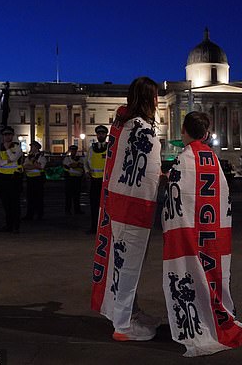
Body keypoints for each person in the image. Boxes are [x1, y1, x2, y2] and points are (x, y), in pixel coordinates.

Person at [162, 111, 242, 357]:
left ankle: (196, 321)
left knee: (189, 277)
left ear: (185, 131)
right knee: (210, 274)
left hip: (189, 233)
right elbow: (222, 195)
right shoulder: (212, 157)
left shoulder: (184, 158)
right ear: (207, 133)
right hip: (211, 232)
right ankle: (213, 313)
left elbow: (176, 197)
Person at [90, 76, 162, 342]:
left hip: (119, 202)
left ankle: (129, 310)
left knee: (124, 263)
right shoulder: (141, 127)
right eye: (154, 96)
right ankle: (123, 325)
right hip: (132, 206)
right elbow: (144, 169)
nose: (157, 101)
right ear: (147, 99)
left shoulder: (123, 123)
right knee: (127, 265)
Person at [0, 126, 24, 233]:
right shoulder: (0, 147)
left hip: (14, 178)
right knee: (6, 203)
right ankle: (9, 225)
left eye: (9, 135)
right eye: (5, 135)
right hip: (3, 179)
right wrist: (6, 162)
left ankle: (16, 226)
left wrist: (7, 150)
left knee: (15, 203)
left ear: (12, 136)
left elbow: (13, 158)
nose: (7, 137)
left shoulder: (17, 147)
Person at [84, 125, 109, 234]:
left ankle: (106, 228)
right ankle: (94, 227)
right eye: (99, 134)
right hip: (94, 181)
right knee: (94, 206)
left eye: (102, 134)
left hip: (106, 182)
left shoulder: (109, 148)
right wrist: (86, 171)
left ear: (106, 135)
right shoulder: (92, 148)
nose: (100, 135)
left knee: (107, 207)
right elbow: (86, 162)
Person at [23, 141, 47, 221]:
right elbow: (25, 166)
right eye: (31, 146)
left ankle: (39, 215)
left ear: (37, 147)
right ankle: (29, 215)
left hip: (38, 179)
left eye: (33, 146)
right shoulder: (28, 157)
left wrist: (32, 163)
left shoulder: (41, 157)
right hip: (30, 179)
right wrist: (34, 166)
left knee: (39, 198)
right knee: (30, 198)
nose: (31, 148)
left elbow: (41, 167)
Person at [62, 145, 84, 215]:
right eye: (72, 150)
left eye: (74, 150)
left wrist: (74, 165)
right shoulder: (67, 158)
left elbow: (80, 166)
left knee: (77, 196)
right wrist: (77, 165)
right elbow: (71, 165)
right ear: (70, 151)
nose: (73, 152)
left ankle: (77, 210)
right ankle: (68, 210)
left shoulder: (79, 159)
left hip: (77, 179)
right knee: (68, 196)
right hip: (70, 179)